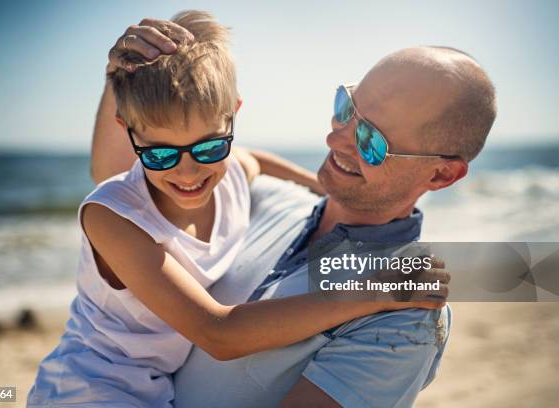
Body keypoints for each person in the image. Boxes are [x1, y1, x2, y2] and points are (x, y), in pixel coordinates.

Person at [27, 11, 447, 408]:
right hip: (87, 390)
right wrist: (371, 292)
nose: (188, 172)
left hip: (152, 392)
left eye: (209, 146)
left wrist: (327, 190)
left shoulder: (229, 175)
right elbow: (219, 333)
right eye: (159, 155)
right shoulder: (111, 217)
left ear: (233, 117)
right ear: (127, 130)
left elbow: (257, 161)